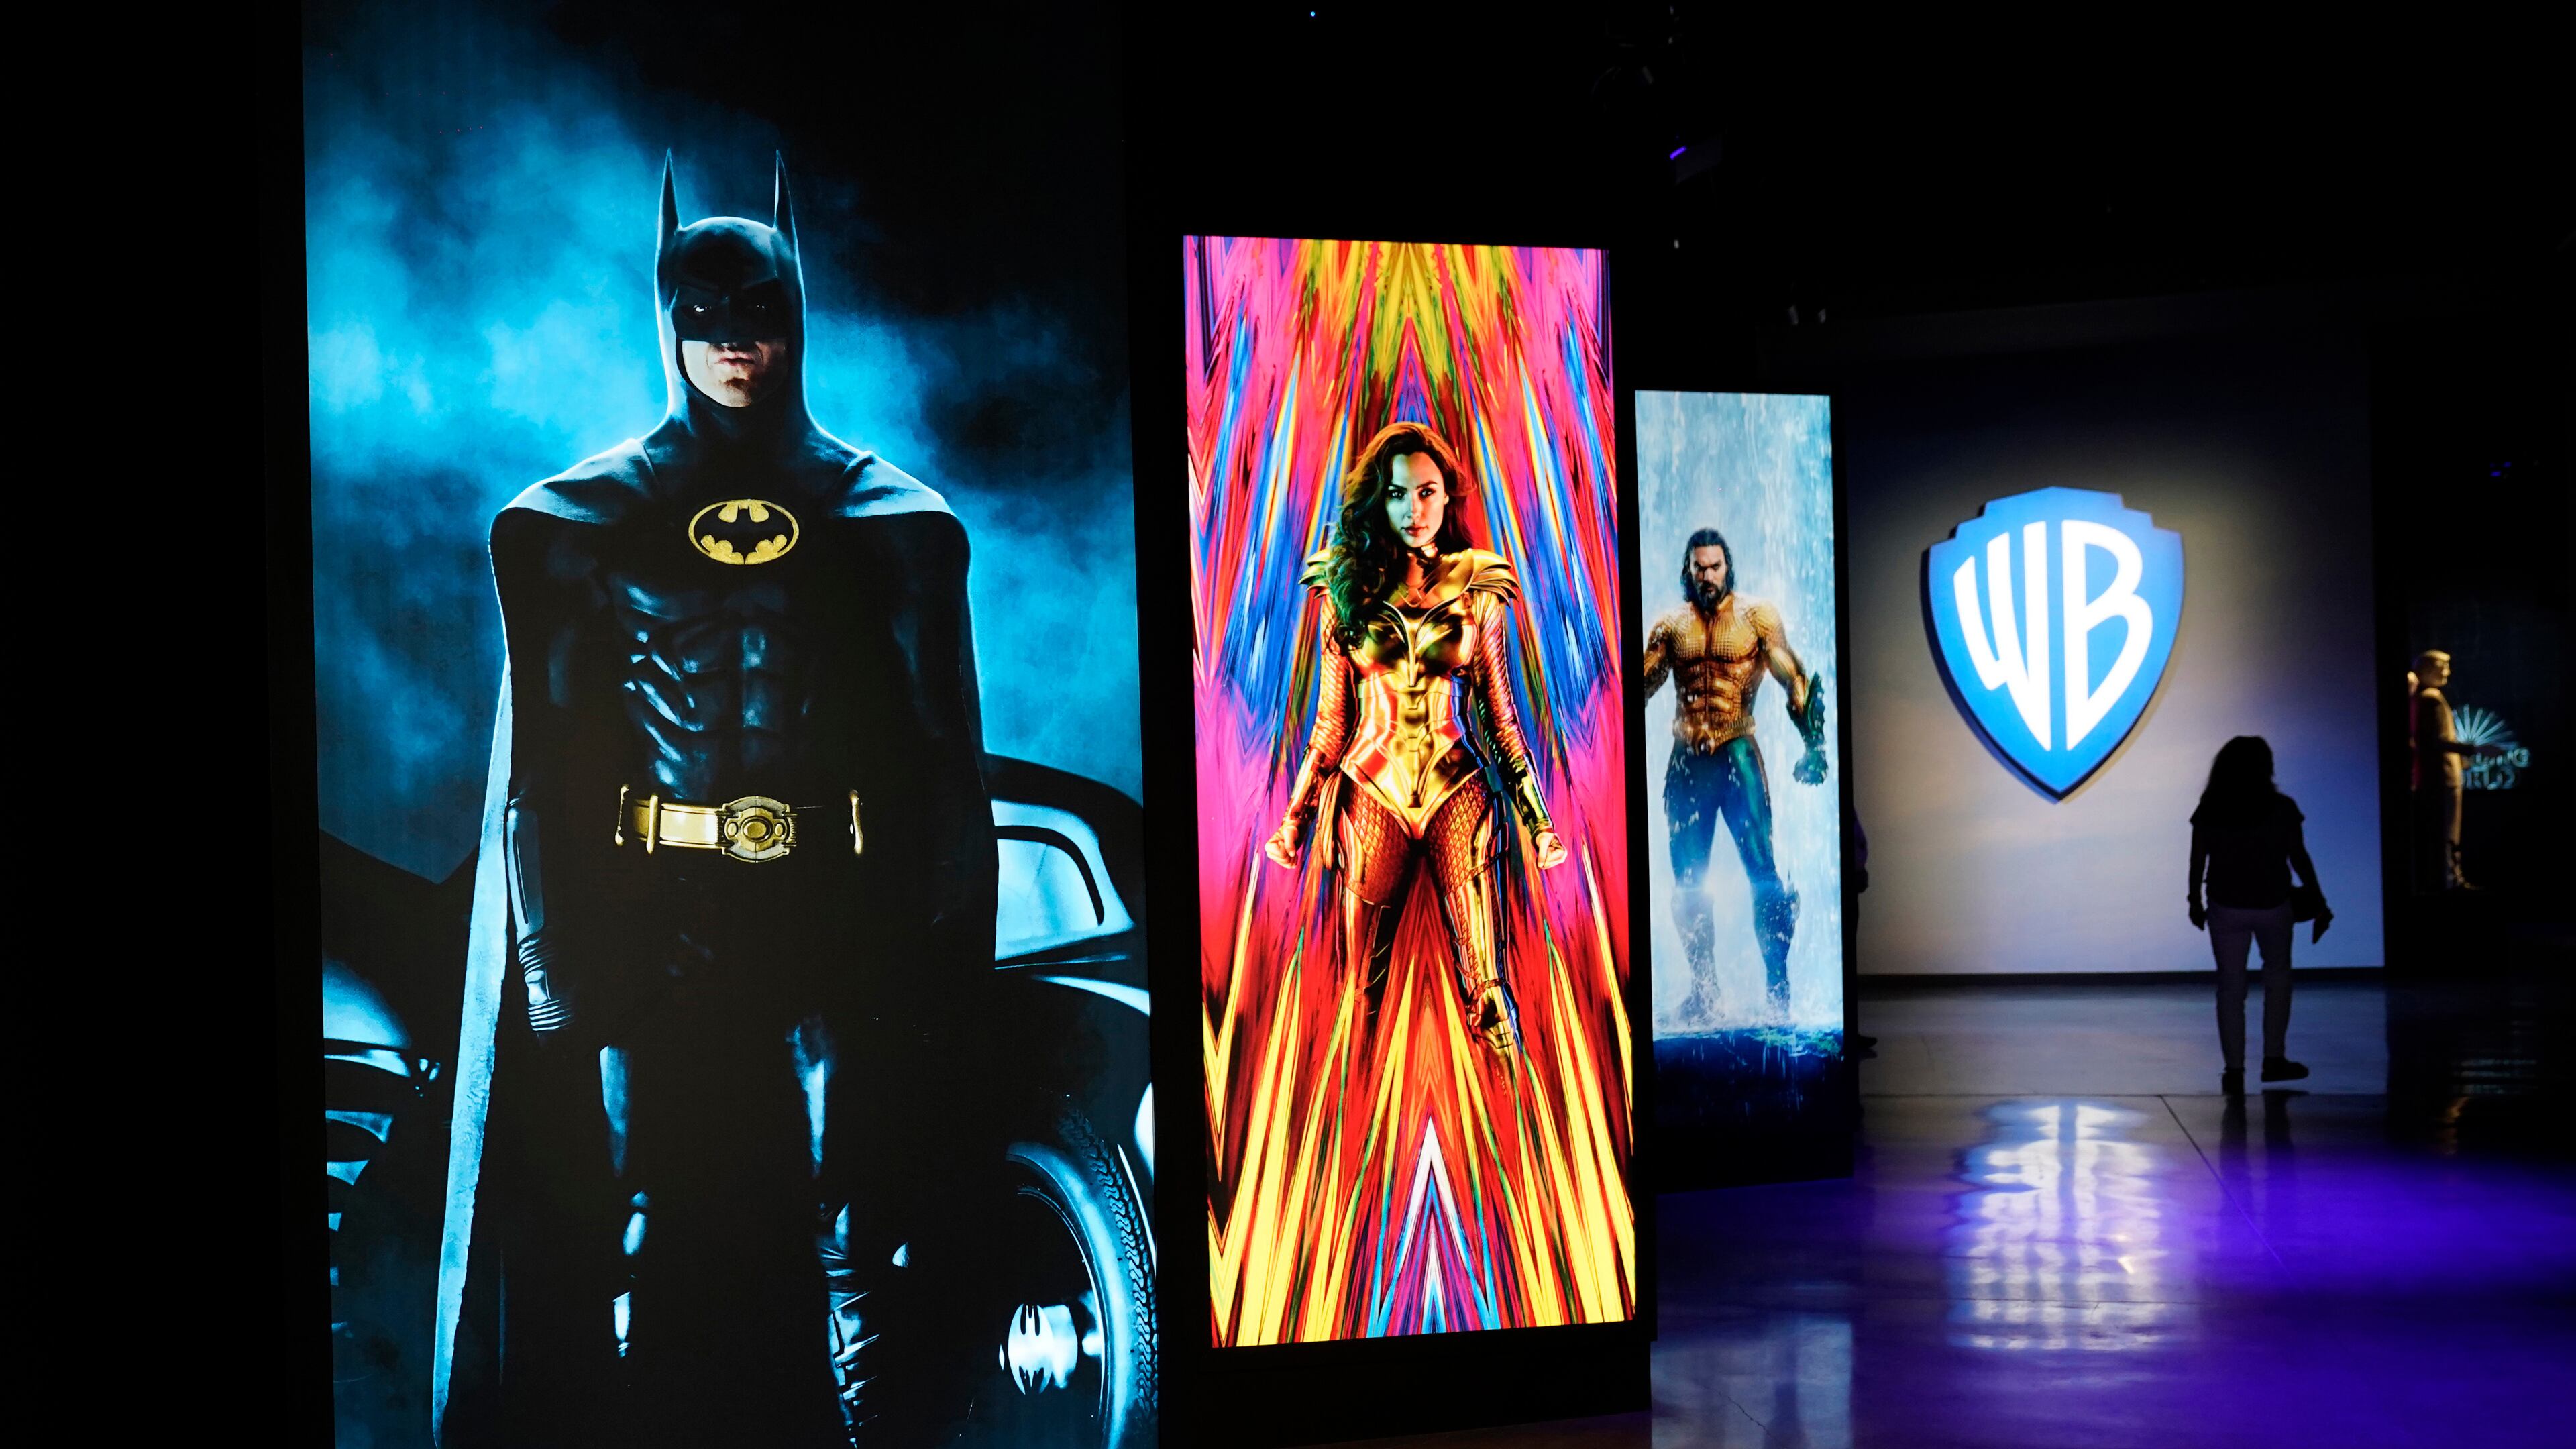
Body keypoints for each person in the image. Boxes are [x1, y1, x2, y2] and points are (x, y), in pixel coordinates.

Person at [435, 158, 997, 1447]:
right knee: (651, 1228)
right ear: (668, 321)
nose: (737, 345)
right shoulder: (573, 523)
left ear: (801, 316)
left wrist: (937, 987)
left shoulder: (895, 522)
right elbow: (547, 773)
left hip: (837, 925)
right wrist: (563, 983)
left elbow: (943, 774)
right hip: (658, 927)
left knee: (858, 1229)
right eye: (708, 318)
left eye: (761, 316)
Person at [1263, 421, 1568, 1056]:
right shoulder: (1342, 587)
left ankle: (1508, 1138)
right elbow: (1330, 723)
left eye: (1427, 492)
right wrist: (1294, 820)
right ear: (1380, 498)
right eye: (1399, 494)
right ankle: (1348, 1148)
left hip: (1459, 789)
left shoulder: (1479, 586)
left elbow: (1502, 717)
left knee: (1490, 990)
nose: (1414, 509)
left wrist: (1539, 822)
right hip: (1369, 790)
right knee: (1358, 996)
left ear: (1447, 495)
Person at [1640, 528, 1829, 1016]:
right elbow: (1637, 688)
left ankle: (1778, 992)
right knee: (1687, 882)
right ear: (1688, 569)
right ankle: (1705, 992)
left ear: (1729, 567)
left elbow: (1796, 679)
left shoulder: (1756, 618)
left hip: (1738, 756)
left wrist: (1814, 745)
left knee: (1763, 873)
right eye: (1699, 567)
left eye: (1715, 566)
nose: (1707, 575)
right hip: (1686, 764)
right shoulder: (1669, 627)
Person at [2188, 736, 2328, 1095]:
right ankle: (2274, 1060)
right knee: (2277, 979)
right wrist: (2318, 898)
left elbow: (2198, 858)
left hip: (2225, 904)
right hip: (2273, 904)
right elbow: (2299, 856)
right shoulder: (2281, 807)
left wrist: (2194, 900)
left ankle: (2234, 1069)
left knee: (2230, 989)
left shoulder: (2212, 807)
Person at [2410, 650, 2504, 891]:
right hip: (2442, 778)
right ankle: (2450, 881)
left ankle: (2449, 878)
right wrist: (2475, 750)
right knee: (2447, 832)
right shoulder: (2431, 699)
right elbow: (2434, 740)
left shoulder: (2426, 698)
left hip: (2440, 776)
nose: (2448, 672)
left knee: (2445, 832)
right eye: (2443, 667)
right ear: (2429, 669)